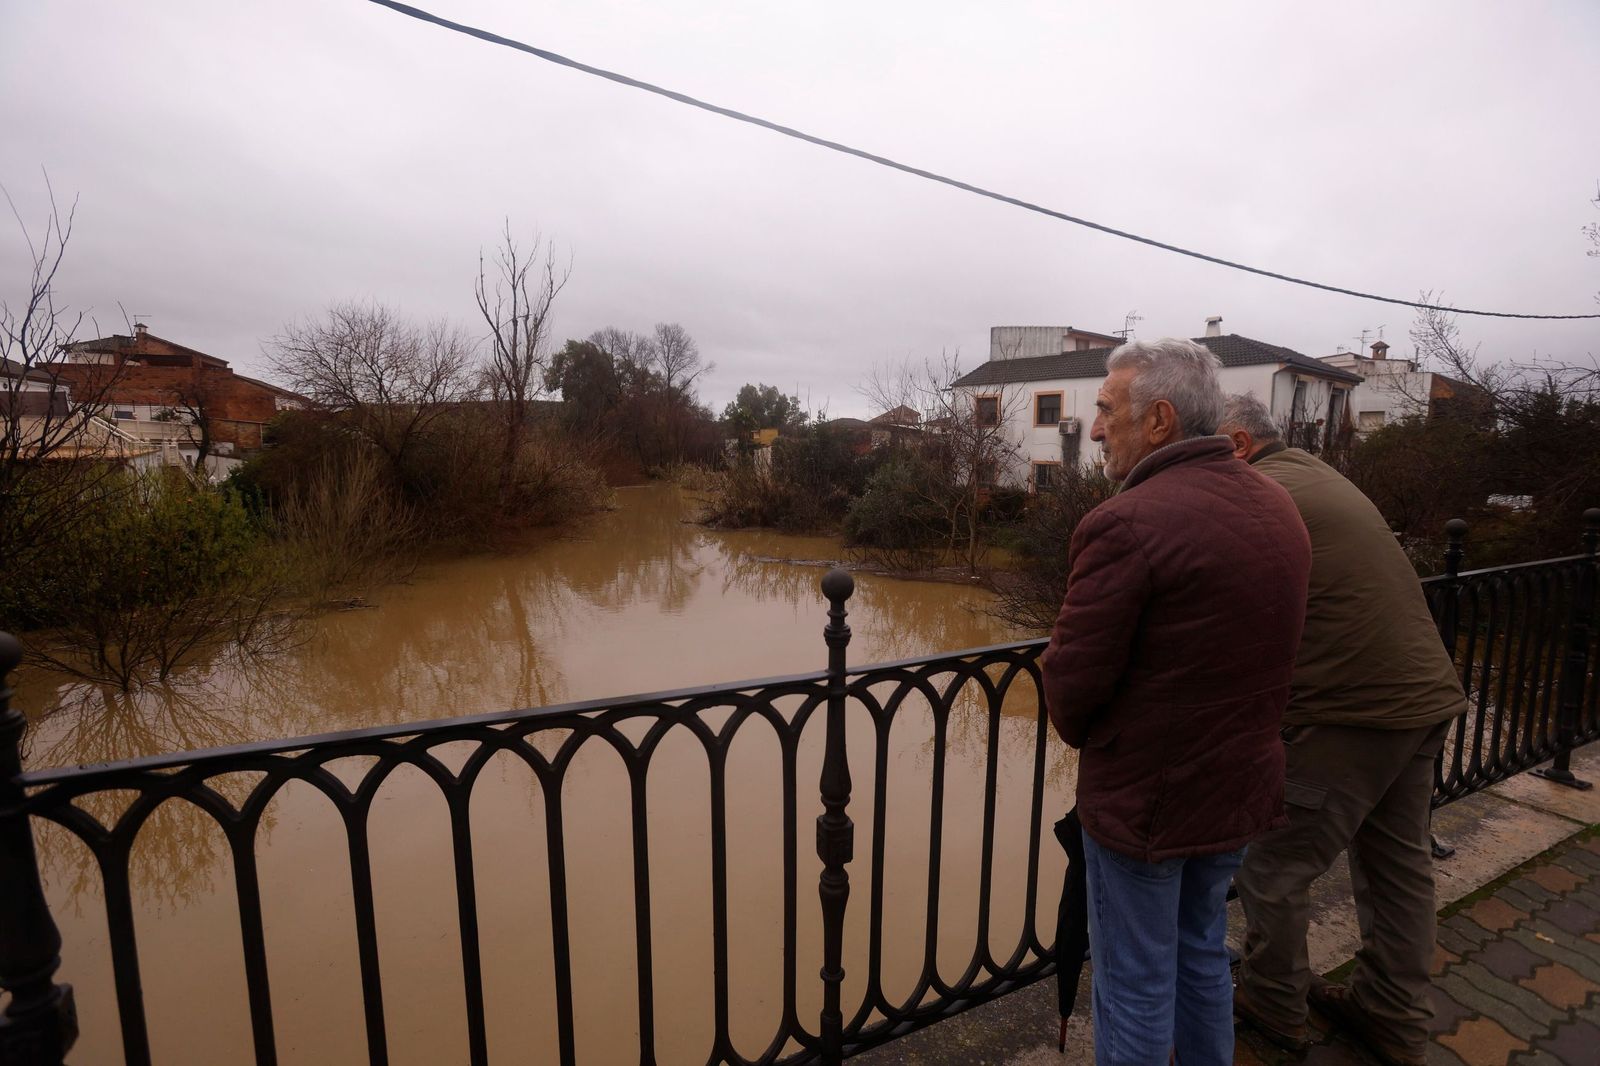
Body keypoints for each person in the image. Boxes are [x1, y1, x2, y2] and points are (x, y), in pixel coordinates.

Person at [1041, 340, 1311, 1066]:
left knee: (1133, 982)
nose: (1094, 429)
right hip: (1238, 787)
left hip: (1147, 808)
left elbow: (1071, 691)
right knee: (1199, 955)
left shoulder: (1126, 522)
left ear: (1157, 419)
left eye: (1104, 410)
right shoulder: (1276, 503)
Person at [1218, 393, 1464, 1066]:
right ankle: (1393, 1017)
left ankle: (1271, 1005)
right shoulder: (1321, 475)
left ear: (1237, 444)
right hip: (1424, 697)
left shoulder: (1259, 490)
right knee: (1398, 865)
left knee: (1274, 865)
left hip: (1349, 711)